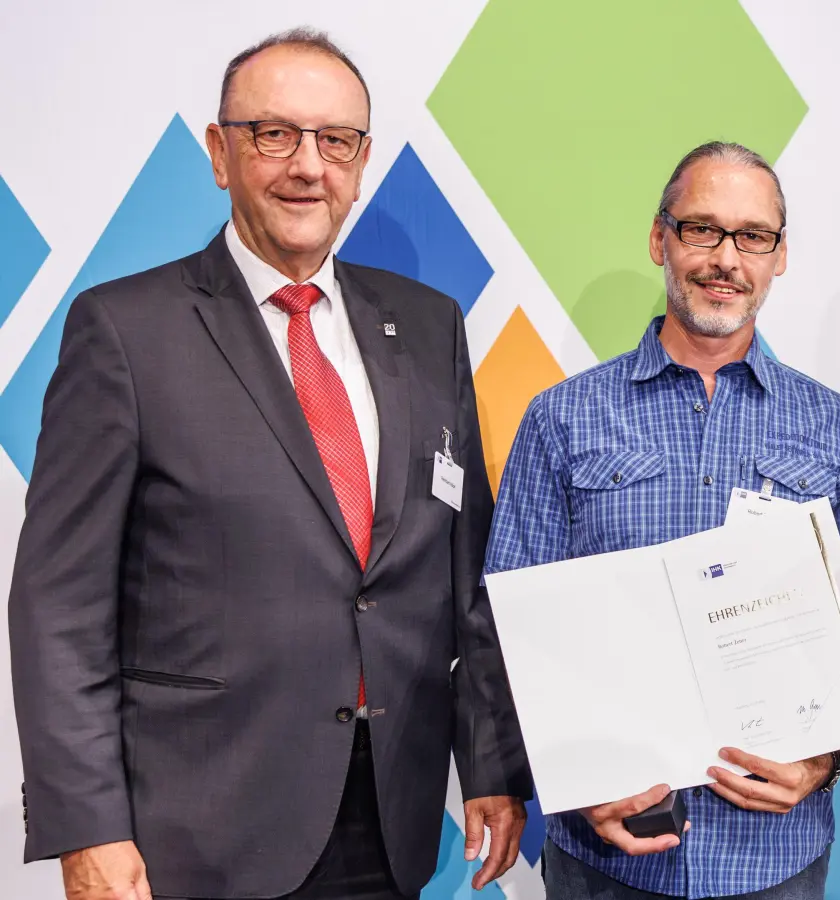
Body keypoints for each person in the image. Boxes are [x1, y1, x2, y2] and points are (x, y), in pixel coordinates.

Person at [9, 29, 531, 900]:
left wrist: (487, 760)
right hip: (197, 828)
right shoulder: (125, 331)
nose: (307, 167)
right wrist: (87, 826)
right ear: (220, 153)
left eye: (336, 141)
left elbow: (464, 574)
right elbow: (59, 603)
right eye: (274, 134)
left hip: (389, 816)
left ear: (362, 163)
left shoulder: (430, 324)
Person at [483, 140, 840, 899]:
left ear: (779, 257)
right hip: (606, 852)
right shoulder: (564, 418)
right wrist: (574, 777)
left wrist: (822, 762)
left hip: (774, 856)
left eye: (752, 237)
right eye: (702, 229)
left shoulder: (835, 427)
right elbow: (512, 622)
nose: (725, 258)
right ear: (659, 239)